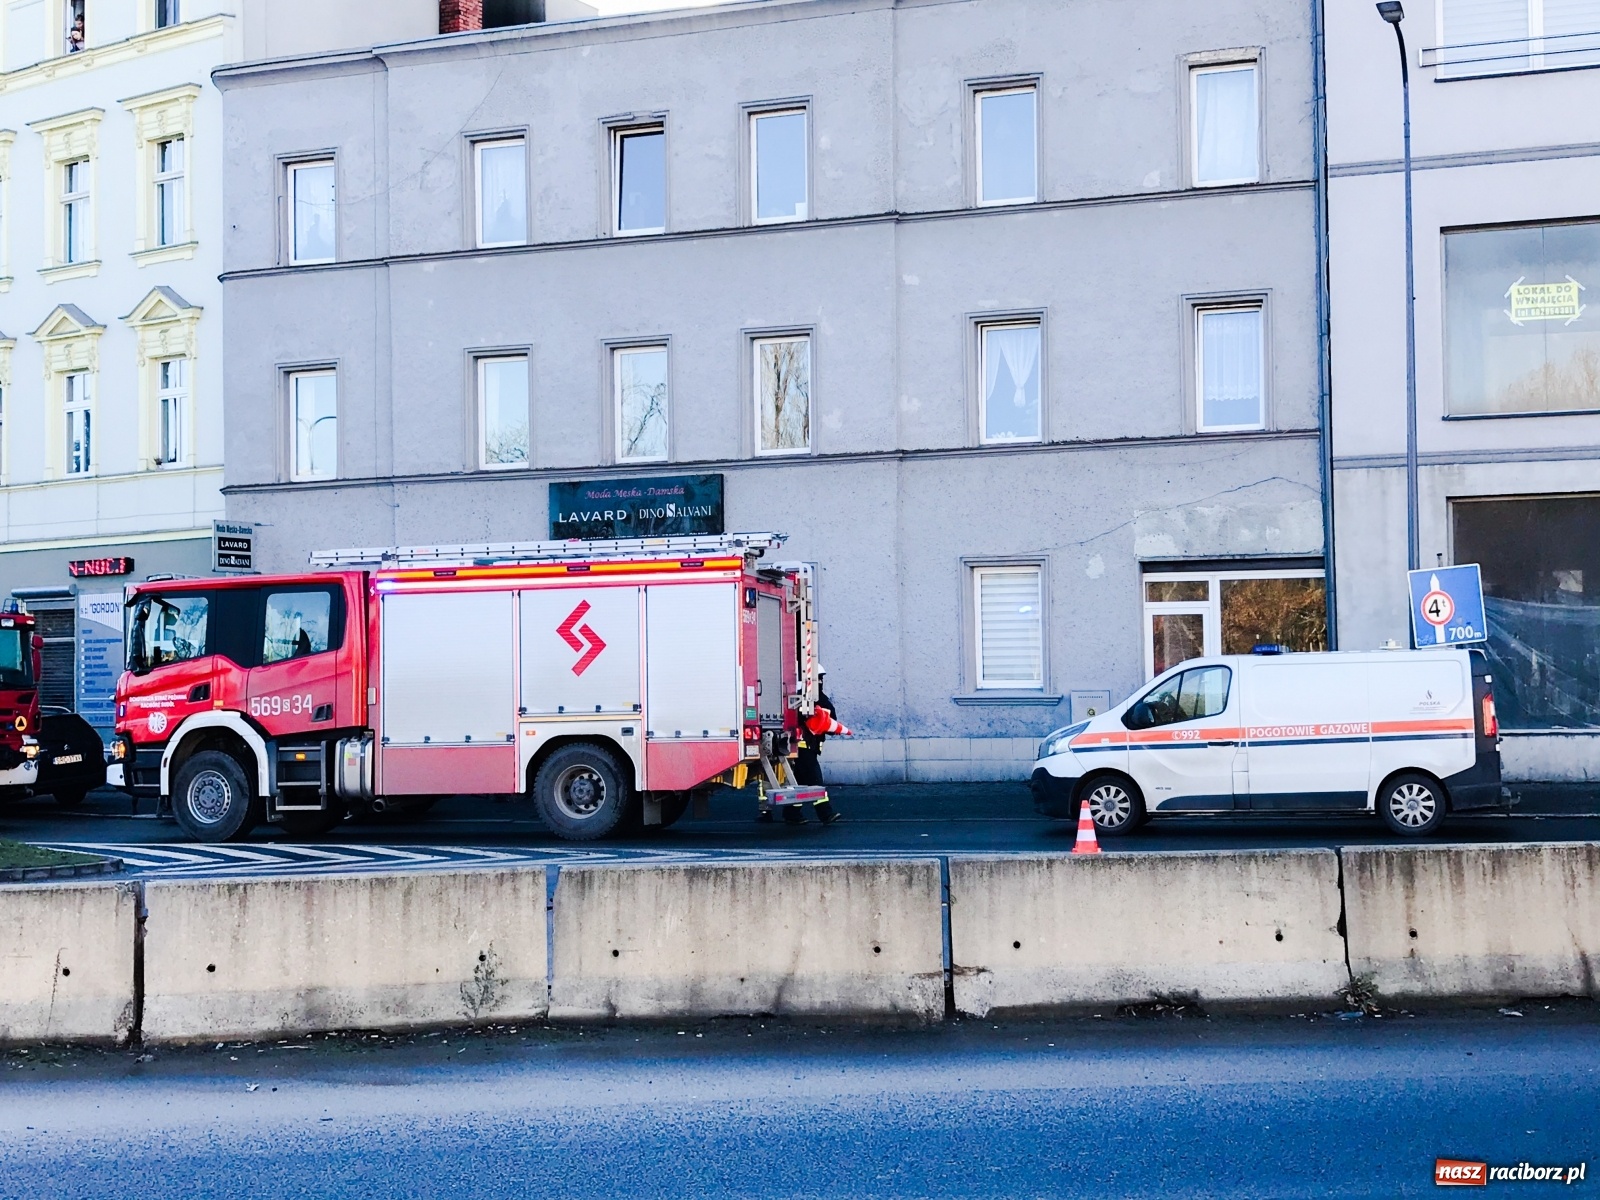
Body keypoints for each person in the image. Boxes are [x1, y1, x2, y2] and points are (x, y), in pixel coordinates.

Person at [789, 666, 845, 825]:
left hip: (808, 748)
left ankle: (792, 813)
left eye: (821, 678)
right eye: (817, 678)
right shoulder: (804, 700)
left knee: (799, 783)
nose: (820, 681)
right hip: (804, 747)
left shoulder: (819, 700)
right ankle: (826, 814)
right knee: (815, 781)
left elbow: (831, 723)